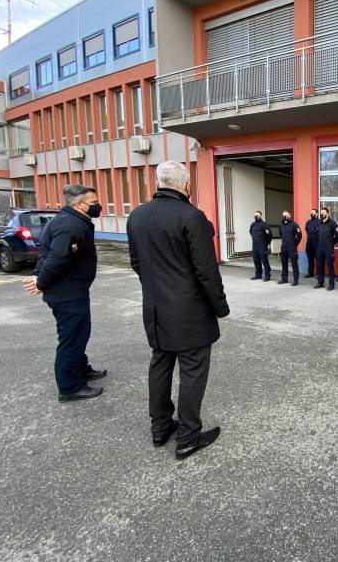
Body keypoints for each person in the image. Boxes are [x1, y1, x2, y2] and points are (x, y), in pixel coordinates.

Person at [127, 161, 229, 460]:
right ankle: (187, 436)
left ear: (158, 182)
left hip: (155, 308)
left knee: (160, 363)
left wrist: (157, 289)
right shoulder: (191, 216)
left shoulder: (137, 216)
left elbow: (137, 263)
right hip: (189, 311)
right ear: (186, 185)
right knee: (192, 370)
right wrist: (220, 306)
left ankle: (160, 427)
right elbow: (206, 270)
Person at [23, 184, 105, 402]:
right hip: (67, 293)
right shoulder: (70, 225)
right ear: (80, 205)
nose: (98, 206)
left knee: (78, 333)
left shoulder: (67, 221)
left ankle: (81, 369)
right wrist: (41, 282)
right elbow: (57, 258)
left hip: (71, 290)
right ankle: (70, 387)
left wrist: (38, 275)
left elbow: (46, 253)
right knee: (72, 337)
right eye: (94, 203)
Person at [313, 207, 338, 291]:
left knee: (330, 266)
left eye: (323, 213)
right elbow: (316, 233)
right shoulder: (319, 223)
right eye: (321, 213)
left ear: (327, 214)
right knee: (319, 265)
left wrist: (331, 243)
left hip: (328, 247)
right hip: (320, 247)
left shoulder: (333, 223)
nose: (322, 214)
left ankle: (331, 285)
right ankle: (320, 282)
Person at [278, 210, 302, 286]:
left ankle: (295, 280)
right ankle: (284, 279)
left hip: (292, 246)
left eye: (286, 215)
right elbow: (280, 235)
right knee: (284, 263)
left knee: (294, 264)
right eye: (283, 215)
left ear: (290, 216)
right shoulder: (281, 225)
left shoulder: (294, 225)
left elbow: (299, 235)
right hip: (284, 246)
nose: (284, 216)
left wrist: (295, 244)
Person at [249, 210, 272, 281]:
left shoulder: (264, 225)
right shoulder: (253, 224)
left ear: (260, 216)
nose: (256, 216)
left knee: (264, 261)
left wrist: (266, 243)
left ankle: (267, 275)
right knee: (256, 260)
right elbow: (250, 232)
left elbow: (269, 235)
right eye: (255, 215)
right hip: (255, 245)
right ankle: (258, 275)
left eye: (257, 215)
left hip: (262, 245)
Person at [304, 208, 320, 278]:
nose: (312, 214)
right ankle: (310, 272)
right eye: (311, 213)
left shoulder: (319, 222)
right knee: (309, 258)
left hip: (316, 242)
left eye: (313, 213)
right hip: (309, 242)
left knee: (318, 259)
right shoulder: (308, 222)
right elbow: (306, 230)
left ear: (317, 214)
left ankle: (319, 274)